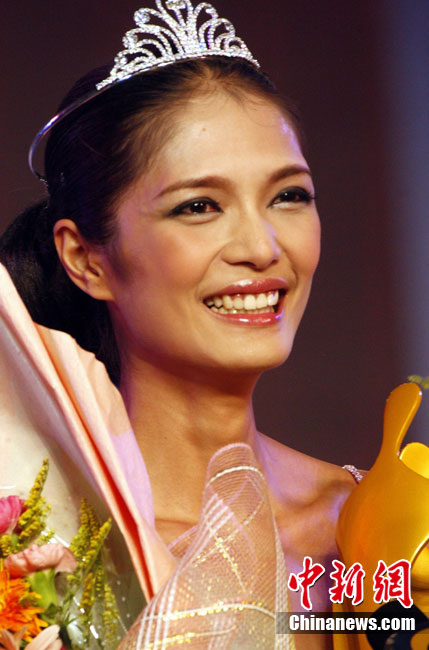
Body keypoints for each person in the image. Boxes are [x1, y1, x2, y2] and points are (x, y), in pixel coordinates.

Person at [0, 2, 360, 648]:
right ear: (86, 259)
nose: (262, 247)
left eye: (289, 196)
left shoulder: (375, 529)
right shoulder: (32, 558)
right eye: (199, 206)